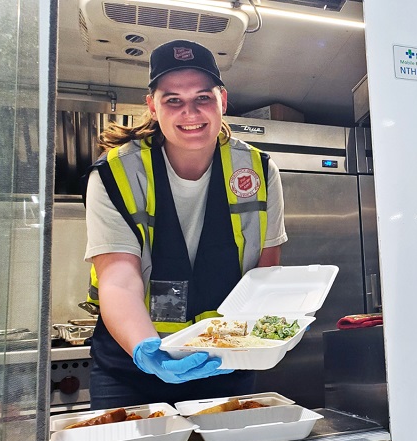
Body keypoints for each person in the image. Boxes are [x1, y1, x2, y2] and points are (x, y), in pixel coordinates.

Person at [83, 39, 287, 409]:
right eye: (173, 100)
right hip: (132, 370)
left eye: (202, 98)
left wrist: (271, 333)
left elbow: (266, 270)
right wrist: (148, 351)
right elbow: (118, 280)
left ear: (222, 100)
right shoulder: (114, 173)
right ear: (152, 105)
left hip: (226, 364)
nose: (190, 113)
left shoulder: (258, 169)